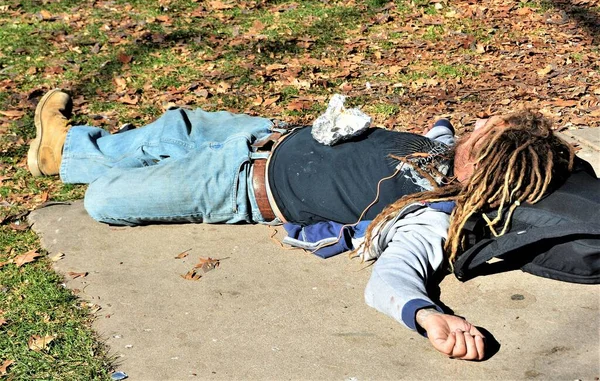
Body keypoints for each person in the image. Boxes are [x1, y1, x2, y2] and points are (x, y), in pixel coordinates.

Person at [27, 89, 574, 361]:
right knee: (180, 127)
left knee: (105, 200)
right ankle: (66, 149)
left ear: (489, 162)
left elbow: (395, 277)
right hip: (267, 134)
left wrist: (427, 314)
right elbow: (443, 127)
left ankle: (73, 155)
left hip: (238, 185)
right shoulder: (442, 149)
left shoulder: (432, 212)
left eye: (488, 130)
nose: (478, 123)